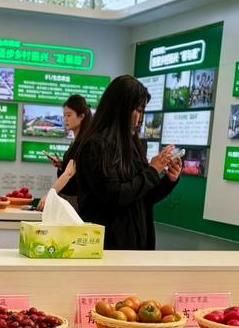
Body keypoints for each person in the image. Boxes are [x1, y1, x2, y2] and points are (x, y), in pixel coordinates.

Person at [72, 75, 181, 250]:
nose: (140, 117)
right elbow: (115, 196)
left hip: (137, 245)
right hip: (107, 246)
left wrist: (169, 180)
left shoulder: (133, 145)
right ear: (120, 109)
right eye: (137, 109)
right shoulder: (95, 146)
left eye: (142, 110)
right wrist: (152, 171)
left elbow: (143, 197)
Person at [47, 94, 91, 202]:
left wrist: (49, 195)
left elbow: (70, 174)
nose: (65, 119)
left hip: (77, 201)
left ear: (81, 116)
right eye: (64, 115)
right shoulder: (76, 142)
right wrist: (61, 164)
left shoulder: (84, 143)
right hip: (68, 198)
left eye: (69, 115)